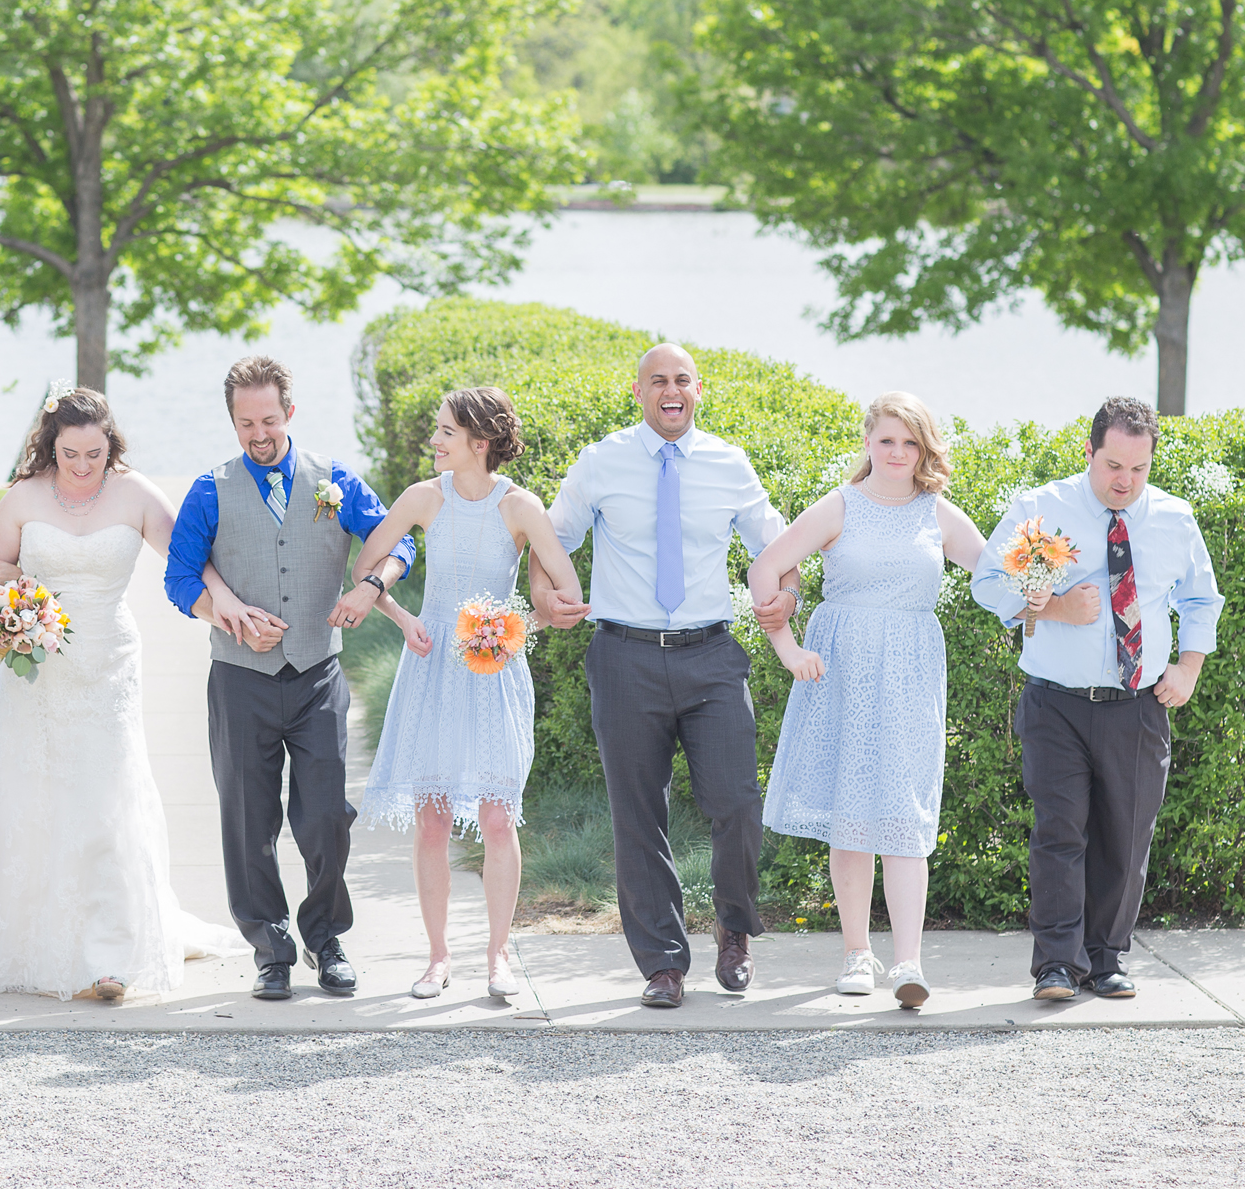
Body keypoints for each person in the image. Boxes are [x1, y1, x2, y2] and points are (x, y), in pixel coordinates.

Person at [534, 343, 797, 1009]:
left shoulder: (728, 464)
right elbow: (548, 537)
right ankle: (662, 963)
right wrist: (544, 594)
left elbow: (779, 544)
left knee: (736, 800)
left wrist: (786, 594)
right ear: (638, 391)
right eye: (658, 381)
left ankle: (735, 931)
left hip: (711, 654)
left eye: (682, 380)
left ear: (698, 390)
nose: (670, 390)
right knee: (637, 812)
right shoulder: (601, 462)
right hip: (624, 656)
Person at [0, 385, 244, 1000]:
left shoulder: (135, 492)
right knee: (41, 795)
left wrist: (222, 603)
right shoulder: (23, 497)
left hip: (109, 661)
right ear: (52, 445)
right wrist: (22, 598)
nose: (82, 465)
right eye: (71, 453)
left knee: (105, 795)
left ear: (109, 444)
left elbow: (188, 558)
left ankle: (111, 952)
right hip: (38, 663)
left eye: (94, 453)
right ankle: (42, 945)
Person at [164, 355, 416, 1001]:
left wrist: (368, 586)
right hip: (240, 677)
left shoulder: (334, 481)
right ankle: (270, 947)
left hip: (316, 672)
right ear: (232, 421)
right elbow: (179, 578)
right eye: (245, 422)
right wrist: (227, 610)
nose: (258, 433)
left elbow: (399, 544)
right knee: (248, 819)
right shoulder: (208, 489)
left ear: (291, 414)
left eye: (269, 419)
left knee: (327, 812)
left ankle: (326, 937)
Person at [972, 397, 1223, 1002]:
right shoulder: (1040, 509)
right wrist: (1055, 605)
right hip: (1055, 702)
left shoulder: (1173, 517)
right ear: (1089, 451)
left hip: (1138, 706)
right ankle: (1056, 965)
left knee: (1126, 836)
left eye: (1138, 470)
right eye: (1113, 465)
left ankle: (1106, 958)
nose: (1124, 481)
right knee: (1060, 833)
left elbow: (1200, 600)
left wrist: (1187, 668)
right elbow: (988, 583)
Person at [749, 392, 988, 1007]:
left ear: (924, 449)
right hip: (843, 669)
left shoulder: (937, 514)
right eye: (888, 441)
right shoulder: (840, 505)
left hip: (910, 671)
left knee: (905, 816)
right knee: (852, 813)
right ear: (868, 443)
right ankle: (857, 952)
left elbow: (995, 577)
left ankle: (909, 963)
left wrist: (1043, 581)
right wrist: (789, 649)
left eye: (911, 443)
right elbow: (766, 569)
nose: (899, 453)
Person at [355, 388, 584, 1000]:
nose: (433, 440)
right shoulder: (423, 498)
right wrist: (405, 621)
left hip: (493, 674)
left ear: (479, 444)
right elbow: (367, 569)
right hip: (430, 669)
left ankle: (499, 954)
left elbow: (568, 598)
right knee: (431, 818)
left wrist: (514, 630)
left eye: (445, 433)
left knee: (496, 815)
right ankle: (436, 958)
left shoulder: (521, 507)